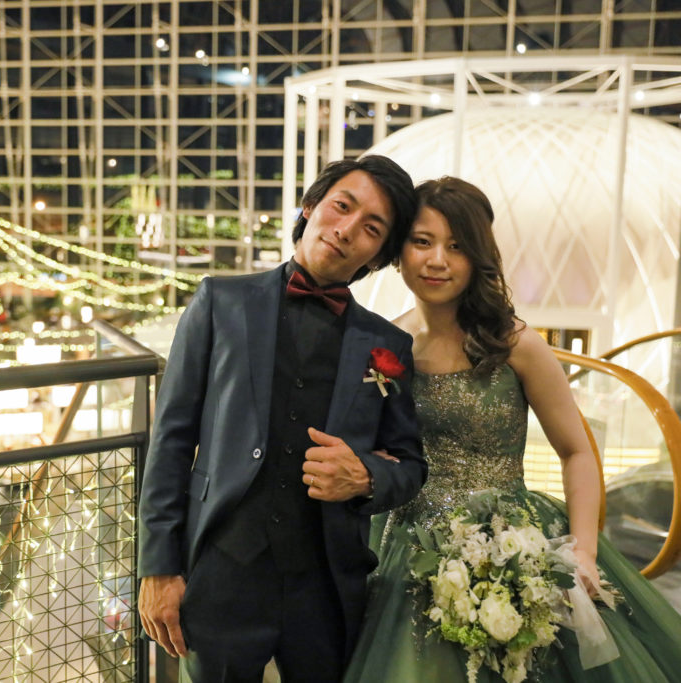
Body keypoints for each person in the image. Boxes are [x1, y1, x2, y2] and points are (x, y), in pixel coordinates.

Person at [344, 176, 681, 681]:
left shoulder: (515, 343)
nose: (437, 260)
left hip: (512, 540)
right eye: (422, 241)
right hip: (405, 544)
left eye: (456, 246)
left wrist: (584, 552)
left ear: (478, 256)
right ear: (399, 251)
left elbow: (576, 451)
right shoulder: (386, 345)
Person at [138, 156, 429, 681]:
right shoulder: (220, 302)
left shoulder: (387, 344)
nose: (346, 230)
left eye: (371, 229)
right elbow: (171, 441)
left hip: (326, 586)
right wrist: (158, 567)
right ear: (311, 206)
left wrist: (365, 476)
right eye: (341, 206)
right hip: (221, 573)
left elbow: (411, 465)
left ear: (380, 254)